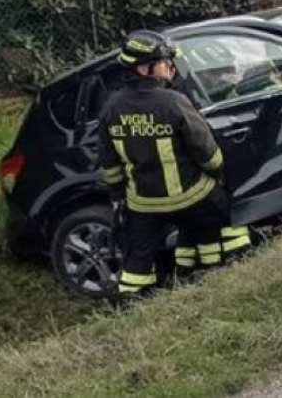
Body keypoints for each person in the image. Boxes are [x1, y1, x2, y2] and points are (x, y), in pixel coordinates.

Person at [97, 31, 251, 297]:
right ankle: (215, 275)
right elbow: (206, 150)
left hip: (143, 204)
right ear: (144, 68)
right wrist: (218, 174)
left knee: (139, 258)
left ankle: (129, 302)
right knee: (221, 216)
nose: (171, 67)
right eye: (165, 62)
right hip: (190, 196)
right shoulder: (174, 102)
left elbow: (109, 164)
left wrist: (118, 196)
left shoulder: (111, 108)